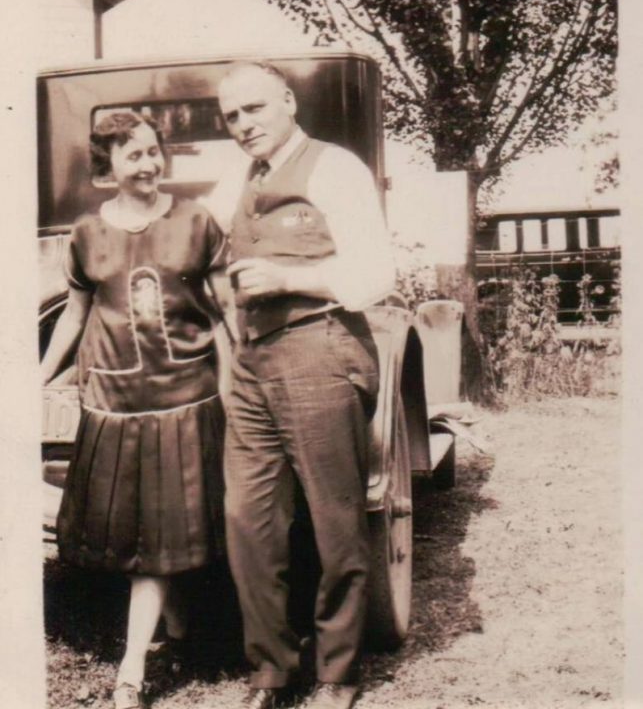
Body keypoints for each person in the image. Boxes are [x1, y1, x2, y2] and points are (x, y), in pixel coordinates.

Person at [217, 61, 396, 709]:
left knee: (335, 521)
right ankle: (270, 671)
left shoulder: (334, 167)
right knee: (248, 520)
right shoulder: (239, 179)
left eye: (254, 109)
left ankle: (337, 674)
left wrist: (290, 279)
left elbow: (377, 272)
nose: (243, 125)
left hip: (320, 348)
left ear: (288, 102)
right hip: (252, 362)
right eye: (232, 116)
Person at [41, 111, 228, 709]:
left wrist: (236, 383)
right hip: (115, 405)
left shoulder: (196, 222)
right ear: (107, 169)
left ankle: (130, 671)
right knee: (145, 533)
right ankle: (178, 631)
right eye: (133, 157)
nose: (148, 165)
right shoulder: (86, 234)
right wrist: (35, 378)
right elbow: (75, 313)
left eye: (153, 152)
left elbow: (224, 313)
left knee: (158, 536)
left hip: (186, 399)